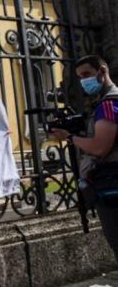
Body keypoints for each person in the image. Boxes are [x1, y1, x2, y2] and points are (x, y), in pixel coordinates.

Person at [51, 55, 118, 260]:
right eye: (80, 77)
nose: (83, 81)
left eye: (87, 74)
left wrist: (70, 137)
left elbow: (99, 147)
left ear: (103, 70)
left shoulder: (108, 104)